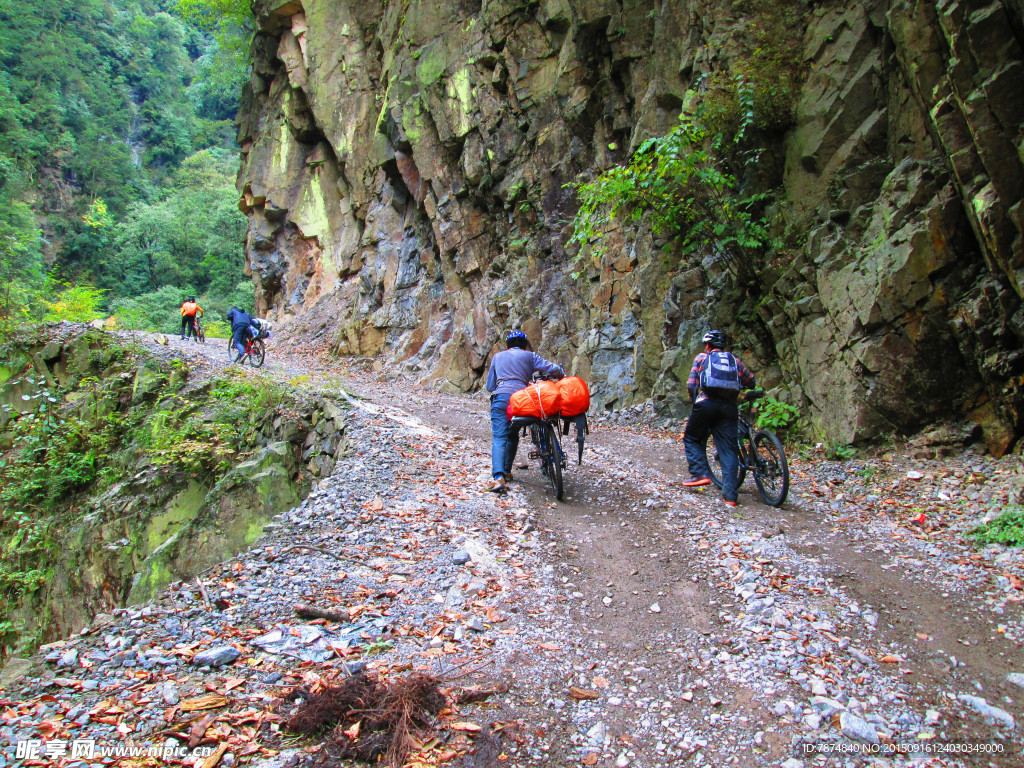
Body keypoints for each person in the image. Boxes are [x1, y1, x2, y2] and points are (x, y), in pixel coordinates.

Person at [682, 330, 756, 507]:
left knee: (692, 437)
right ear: (723, 346)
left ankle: (700, 474)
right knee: (729, 450)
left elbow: (691, 384)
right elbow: (751, 381)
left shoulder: (702, 358)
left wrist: (695, 403)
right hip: (729, 408)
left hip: (706, 404)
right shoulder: (734, 361)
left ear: (707, 346)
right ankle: (730, 497)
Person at [484, 329, 564, 492]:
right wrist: (562, 374)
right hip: (522, 400)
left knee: (500, 436)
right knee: (513, 434)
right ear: (524, 347)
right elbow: (552, 369)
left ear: (507, 347)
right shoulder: (529, 356)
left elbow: (490, 386)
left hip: (500, 399)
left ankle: (499, 477)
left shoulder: (498, 357)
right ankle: (507, 471)